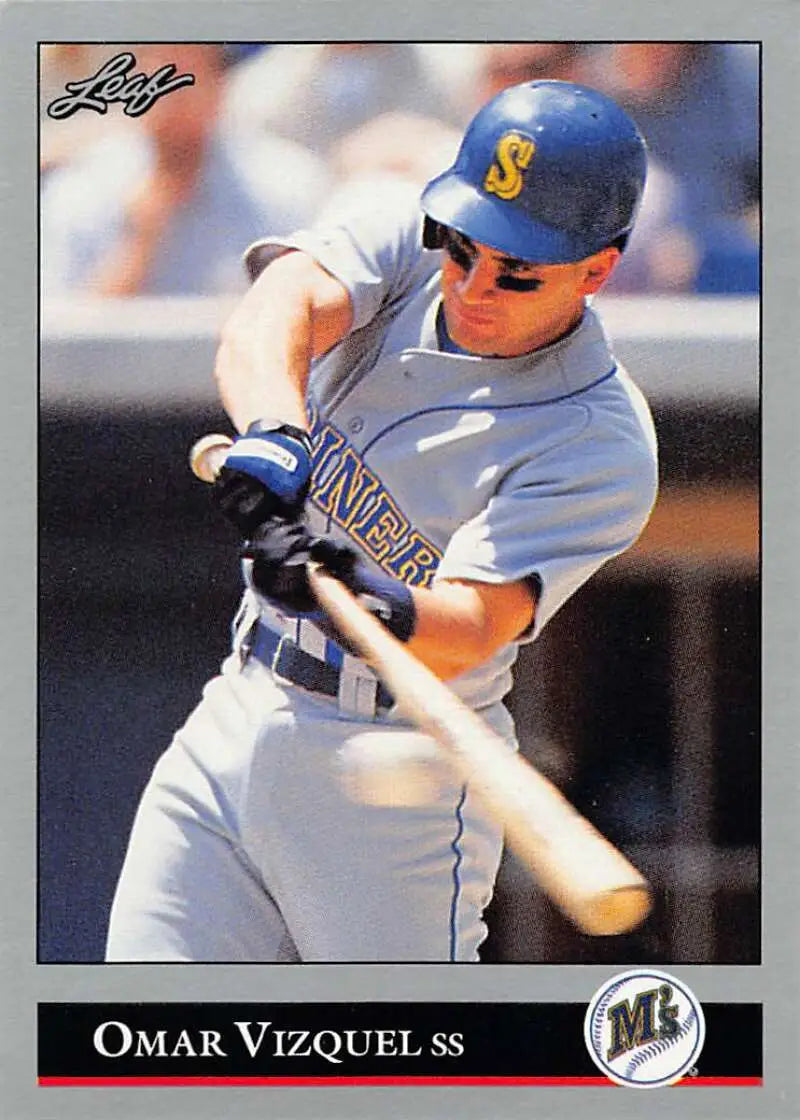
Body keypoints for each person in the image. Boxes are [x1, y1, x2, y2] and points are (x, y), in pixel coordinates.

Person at [106, 80, 659, 962]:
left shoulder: (598, 440)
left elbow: (472, 627)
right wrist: (276, 438)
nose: (475, 284)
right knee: (149, 1061)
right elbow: (273, 312)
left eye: (518, 272)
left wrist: (356, 593)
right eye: (465, 248)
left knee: (394, 1075)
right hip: (240, 704)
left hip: (395, 768)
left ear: (598, 269)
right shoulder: (408, 226)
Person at [41, 44, 327, 297]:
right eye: (159, 79)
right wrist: (141, 240)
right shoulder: (81, 186)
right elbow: (60, 340)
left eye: (186, 78)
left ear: (220, 86)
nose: (172, 98)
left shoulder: (288, 183)